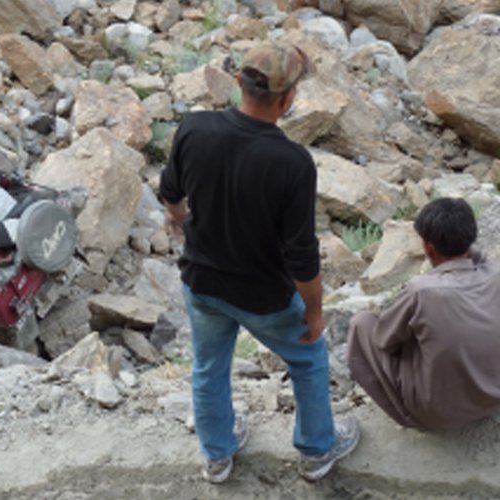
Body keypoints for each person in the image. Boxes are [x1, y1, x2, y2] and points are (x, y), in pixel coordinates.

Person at [160, 41, 359, 484]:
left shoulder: (194, 128)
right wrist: (314, 309)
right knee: (308, 359)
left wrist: (182, 222)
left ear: (238, 83)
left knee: (209, 367)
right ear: (288, 99)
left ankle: (217, 455)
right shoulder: (293, 163)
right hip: (262, 295)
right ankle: (316, 451)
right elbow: (301, 255)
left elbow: (171, 193)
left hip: (202, 284)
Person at [347, 198, 500, 431]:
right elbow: (477, 257)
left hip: (439, 415)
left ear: (428, 247)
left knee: (362, 323)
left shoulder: (422, 290)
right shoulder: (497, 274)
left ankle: (410, 415)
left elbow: (383, 339)